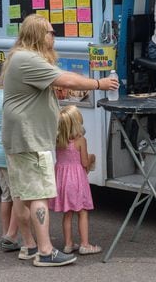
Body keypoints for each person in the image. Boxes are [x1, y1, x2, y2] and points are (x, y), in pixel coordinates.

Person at [2, 14, 118, 267]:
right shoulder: (28, 58)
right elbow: (65, 78)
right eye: (50, 32)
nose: (53, 36)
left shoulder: (19, 57)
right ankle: (45, 252)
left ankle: (29, 246)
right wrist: (99, 83)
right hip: (31, 138)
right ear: (36, 35)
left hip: (20, 137)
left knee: (23, 195)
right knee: (40, 194)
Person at [0, 62, 40, 258]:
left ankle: (7, 234)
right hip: (8, 152)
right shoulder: (7, 99)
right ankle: (12, 236)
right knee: (20, 195)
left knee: (7, 195)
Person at [49, 105, 101, 255]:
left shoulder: (58, 140)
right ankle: (85, 244)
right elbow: (84, 163)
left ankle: (68, 244)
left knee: (67, 213)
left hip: (62, 181)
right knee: (82, 211)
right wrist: (91, 158)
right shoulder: (80, 141)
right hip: (77, 181)